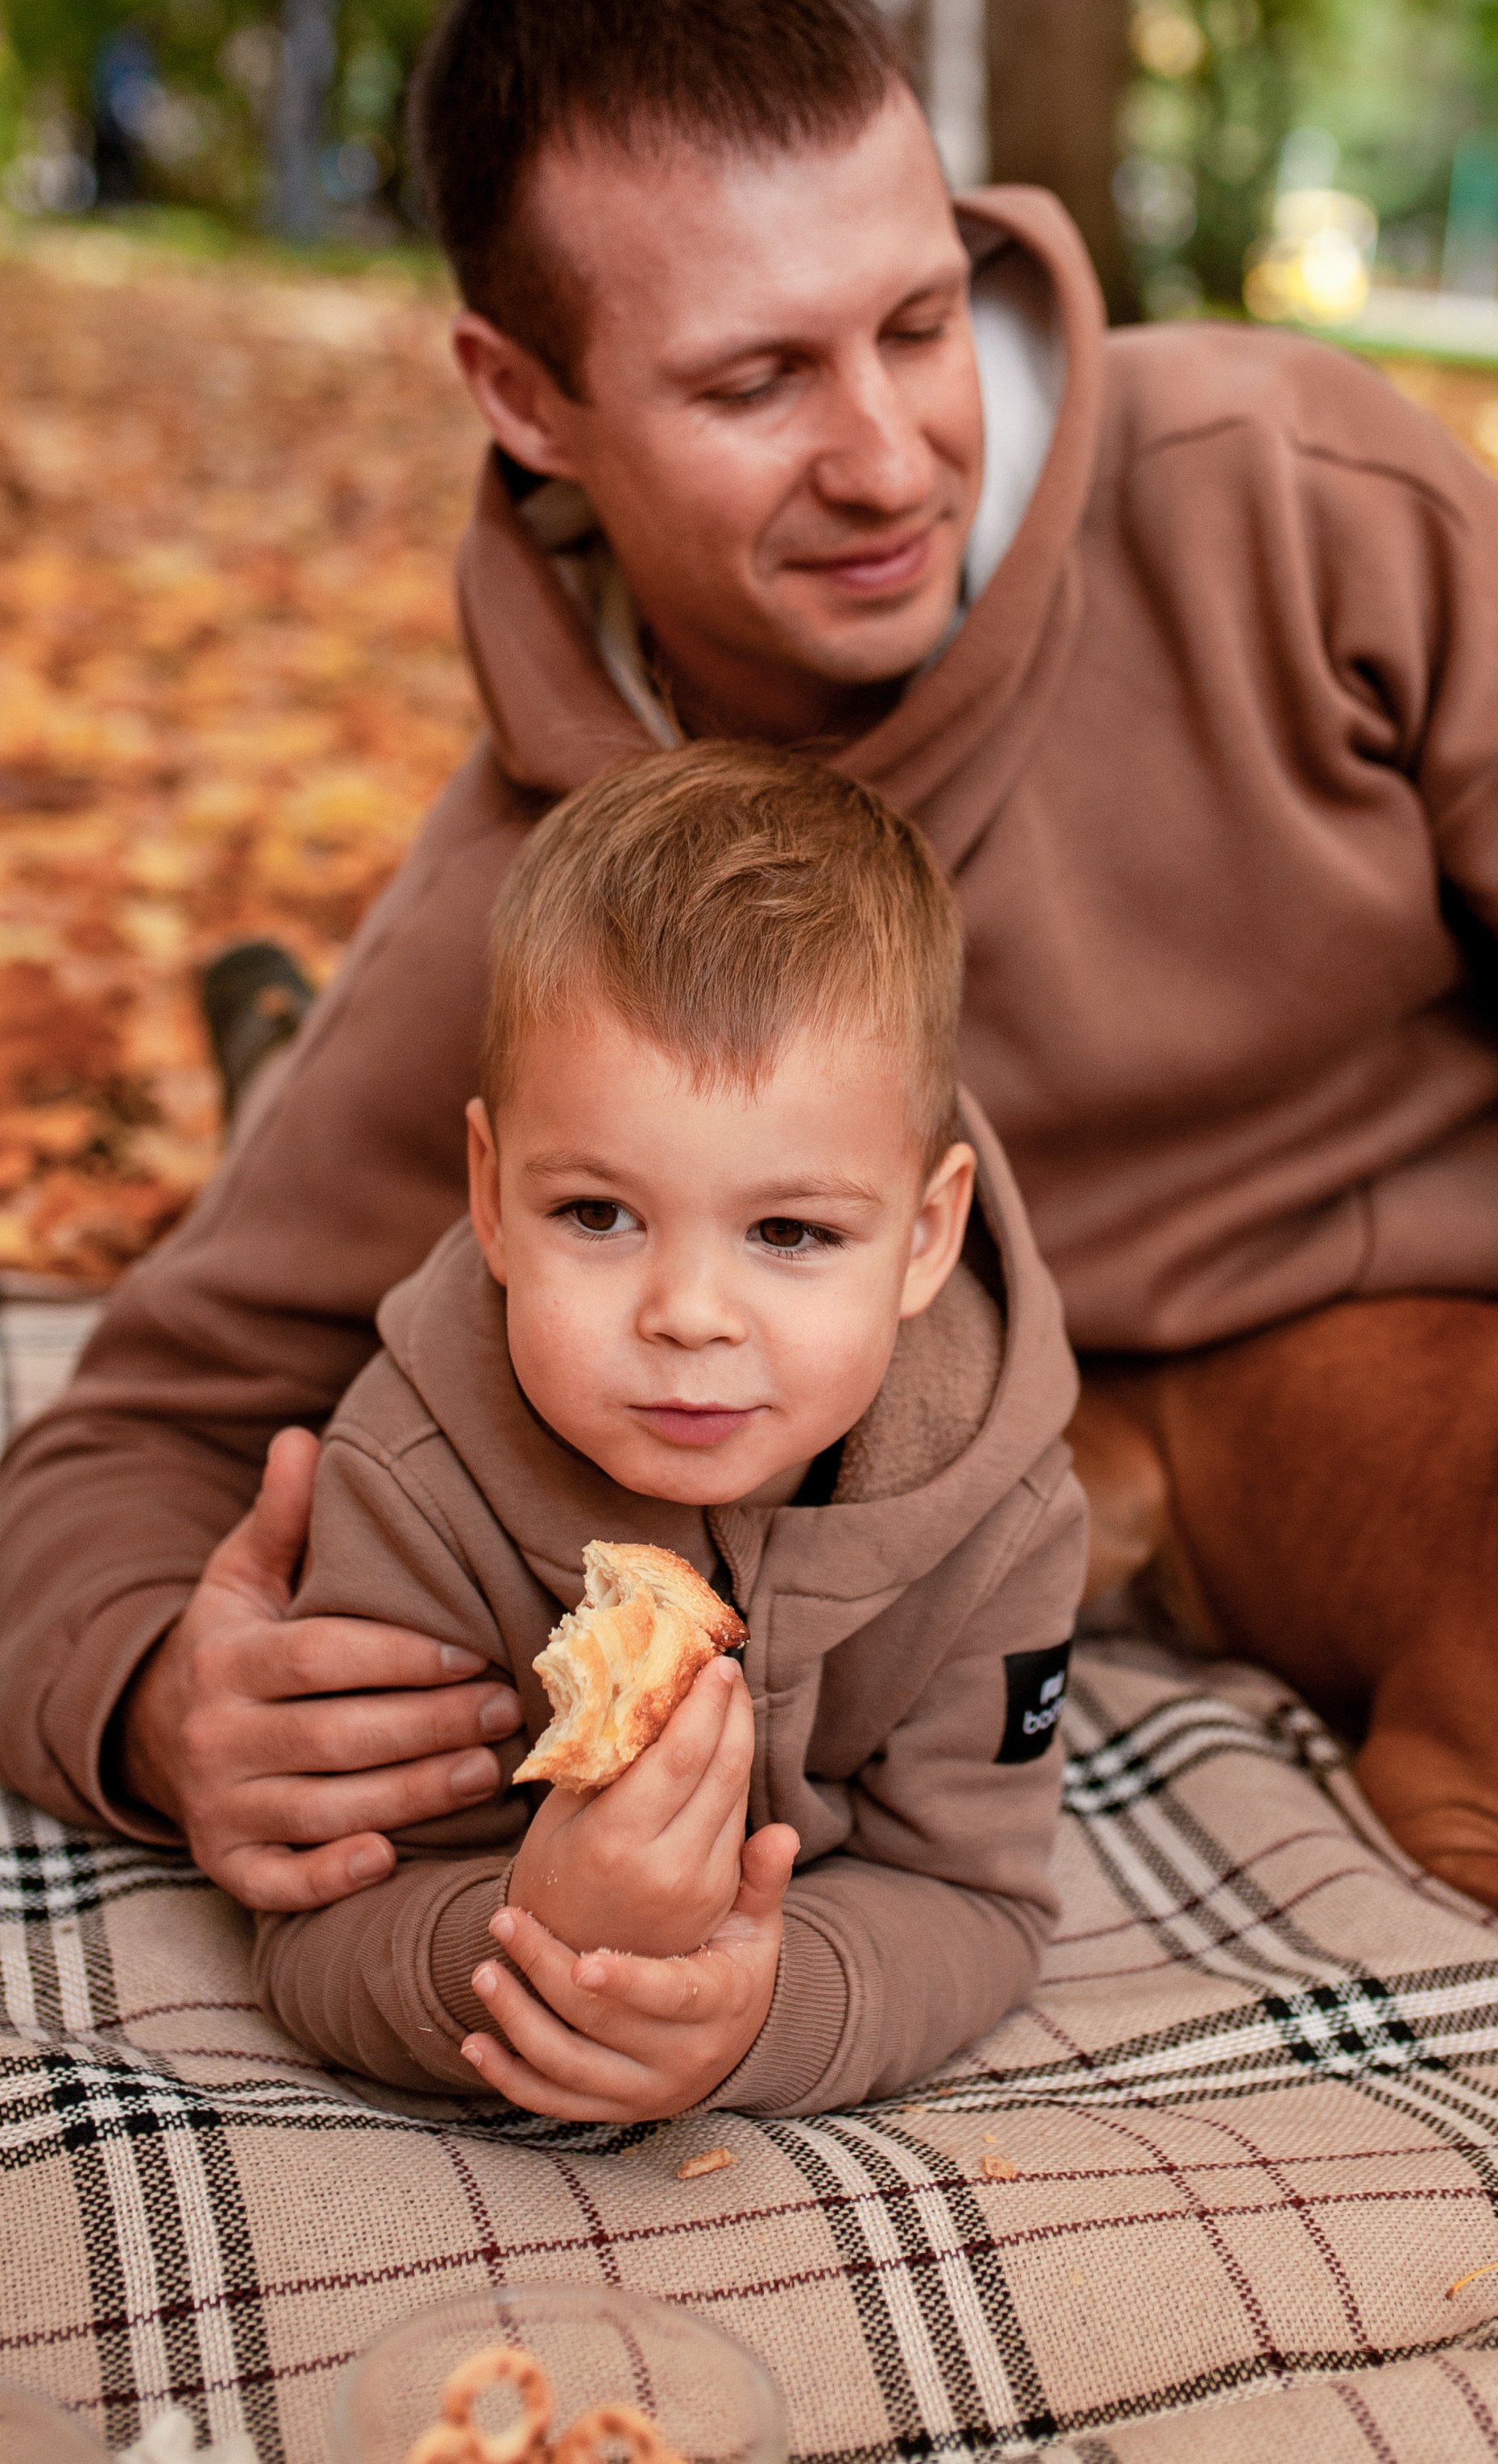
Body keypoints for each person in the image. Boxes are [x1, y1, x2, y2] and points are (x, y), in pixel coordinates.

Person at [0, 0, 1498, 1915]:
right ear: (526, 397)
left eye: (914, 323)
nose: (889, 455)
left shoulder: (1292, 485)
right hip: (1280, 1458)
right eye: (753, 385)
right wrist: (152, 1697)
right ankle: (271, 1039)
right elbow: (144, 1429)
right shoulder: (548, 907)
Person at [250, 743, 1083, 2116]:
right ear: (491, 1192)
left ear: (929, 1235)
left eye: (791, 1231)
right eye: (597, 1214)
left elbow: (976, 1894)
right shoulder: (406, 1484)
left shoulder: (1003, 1513)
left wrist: (764, 2010)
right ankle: (270, 1044)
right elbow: (323, 1922)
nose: (690, 1313)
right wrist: (530, 1939)